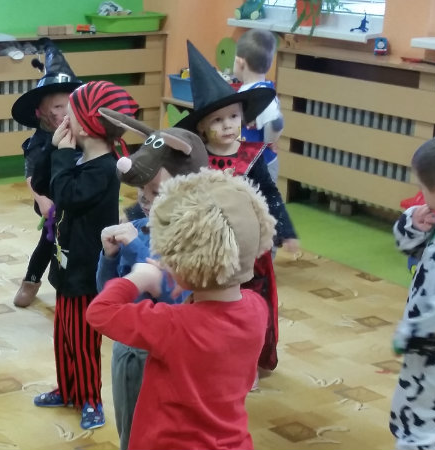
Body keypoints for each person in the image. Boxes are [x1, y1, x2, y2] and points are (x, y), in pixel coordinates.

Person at [87, 169, 275, 450]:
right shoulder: (257, 308)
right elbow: (214, 323)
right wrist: (187, 283)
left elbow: (100, 312)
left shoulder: (172, 325)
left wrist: (137, 278)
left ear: (187, 262)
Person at [176, 41, 299, 377]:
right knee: (211, 305)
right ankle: (213, 358)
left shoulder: (252, 157)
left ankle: (247, 364)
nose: (228, 125)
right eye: (217, 120)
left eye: (233, 116)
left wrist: (285, 231)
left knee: (248, 306)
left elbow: (270, 195)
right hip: (210, 250)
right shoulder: (196, 159)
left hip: (250, 253)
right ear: (202, 127)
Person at [30, 80, 139, 430]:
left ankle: (91, 398)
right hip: (67, 265)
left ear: (88, 126)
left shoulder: (104, 168)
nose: (65, 117)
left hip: (86, 271)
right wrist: (54, 148)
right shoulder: (78, 157)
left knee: (83, 340)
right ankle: (67, 389)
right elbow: (44, 185)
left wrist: (62, 156)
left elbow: (68, 196)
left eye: (71, 113)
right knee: (63, 336)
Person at [96, 167, 189, 450]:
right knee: (131, 430)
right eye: (141, 192)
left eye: (156, 192)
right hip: (130, 350)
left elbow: (175, 298)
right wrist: (108, 257)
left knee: (164, 431)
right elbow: (107, 292)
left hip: (166, 349)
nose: (145, 200)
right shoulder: (138, 228)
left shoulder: (188, 239)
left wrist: (136, 247)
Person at [10, 38, 82, 307]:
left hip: (78, 196)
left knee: (79, 241)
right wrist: (41, 200)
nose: (65, 113)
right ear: (42, 112)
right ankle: (31, 280)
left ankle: (79, 282)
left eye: (69, 105)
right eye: (57, 107)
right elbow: (32, 174)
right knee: (49, 242)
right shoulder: (40, 141)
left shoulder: (81, 132)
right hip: (51, 200)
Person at [390, 136, 435, 450]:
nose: (422, 196)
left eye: (423, 188)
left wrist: (410, 334)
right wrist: (413, 224)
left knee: (422, 421)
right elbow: (409, 248)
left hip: (430, 352)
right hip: (425, 350)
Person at [233, 29, 284, 184]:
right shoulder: (248, 90)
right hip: (246, 162)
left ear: (240, 62)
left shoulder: (261, 94)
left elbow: (276, 123)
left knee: (260, 198)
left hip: (261, 164)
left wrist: (270, 138)